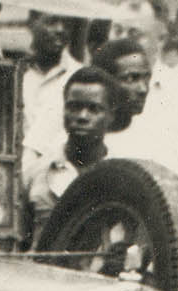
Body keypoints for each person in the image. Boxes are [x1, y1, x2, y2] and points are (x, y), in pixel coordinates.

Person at [23, 65, 119, 230]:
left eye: (94, 109)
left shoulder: (123, 176)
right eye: (74, 107)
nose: (82, 116)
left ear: (111, 115)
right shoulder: (35, 173)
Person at [94, 37, 178, 170]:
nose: (143, 89)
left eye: (146, 78)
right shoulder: (82, 138)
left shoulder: (157, 141)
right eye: (131, 79)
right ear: (104, 82)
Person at [20, 9, 81, 145]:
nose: (60, 29)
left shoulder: (79, 75)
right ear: (31, 24)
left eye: (66, 23)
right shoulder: (15, 70)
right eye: (51, 22)